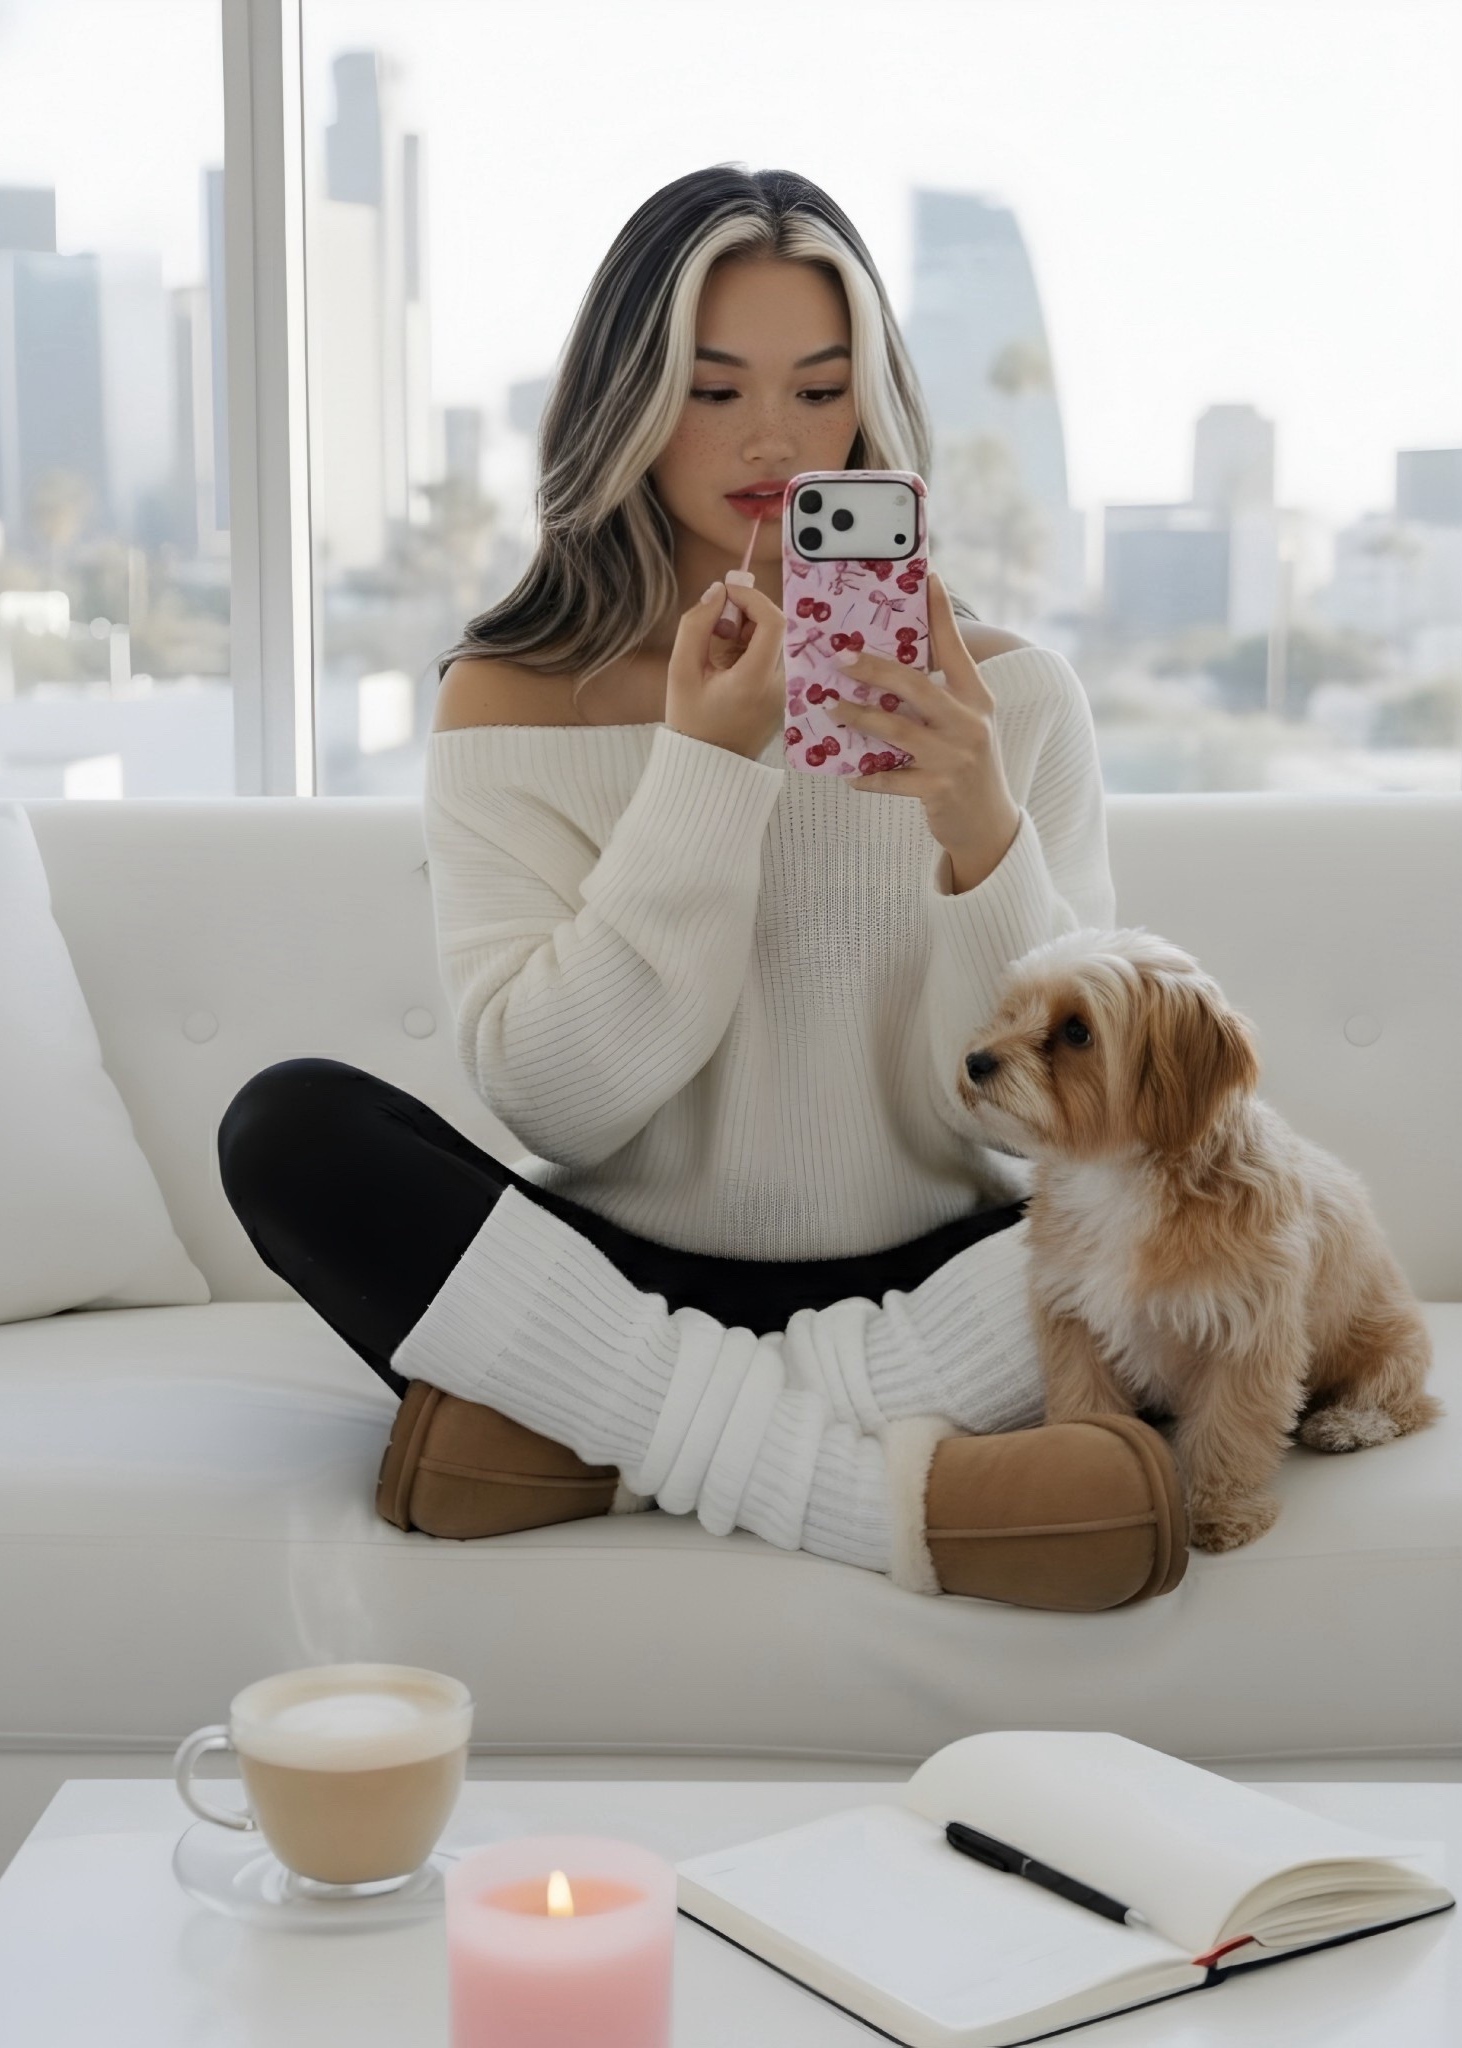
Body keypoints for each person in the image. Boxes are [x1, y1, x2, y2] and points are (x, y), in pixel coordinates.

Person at [217, 164, 1187, 1611]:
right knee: (289, 1127)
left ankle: (585, 1443)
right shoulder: (510, 696)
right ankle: (879, 1496)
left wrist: (978, 830)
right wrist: (706, 766)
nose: (775, 441)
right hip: (620, 1273)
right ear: (628, 401)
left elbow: (1040, 1128)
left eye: (818, 386)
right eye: (712, 388)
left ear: (872, 402)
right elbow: (562, 1098)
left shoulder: (1012, 704)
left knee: (1208, 1187)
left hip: (928, 1281)